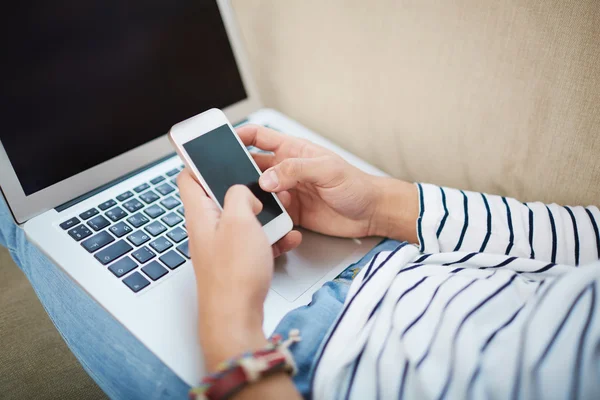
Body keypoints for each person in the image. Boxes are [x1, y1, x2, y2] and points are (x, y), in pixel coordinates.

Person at [1, 124, 599, 399]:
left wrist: (228, 328)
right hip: (393, 253)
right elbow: (582, 237)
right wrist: (382, 207)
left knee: (19, 213)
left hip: (285, 370)